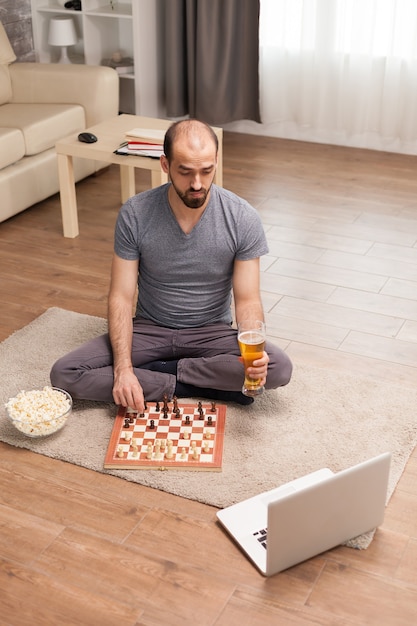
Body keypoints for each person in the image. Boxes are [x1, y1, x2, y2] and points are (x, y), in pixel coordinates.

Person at [50, 119, 292, 412]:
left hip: (211, 331)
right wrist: (123, 368)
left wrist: (253, 352)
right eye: (185, 172)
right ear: (165, 164)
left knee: (278, 369)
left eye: (207, 170)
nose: (197, 184)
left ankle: (160, 373)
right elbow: (121, 297)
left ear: (216, 161)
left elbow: (248, 299)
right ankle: (201, 385)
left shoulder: (242, 218)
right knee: (64, 374)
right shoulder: (135, 214)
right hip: (150, 329)